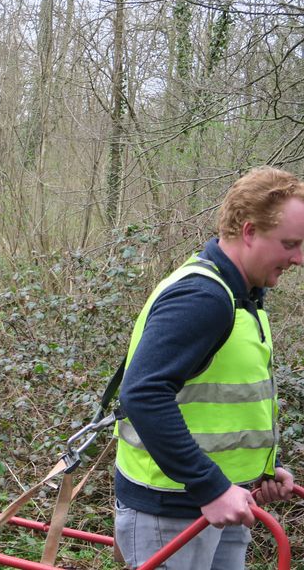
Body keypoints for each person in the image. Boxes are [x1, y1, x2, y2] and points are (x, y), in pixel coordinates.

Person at [113, 166, 301, 569]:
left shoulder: (244, 295)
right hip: (172, 511)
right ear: (249, 232)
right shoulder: (203, 296)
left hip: (222, 502)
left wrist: (267, 467)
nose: (299, 258)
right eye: (290, 243)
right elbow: (143, 393)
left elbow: (224, 396)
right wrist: (210, 485)